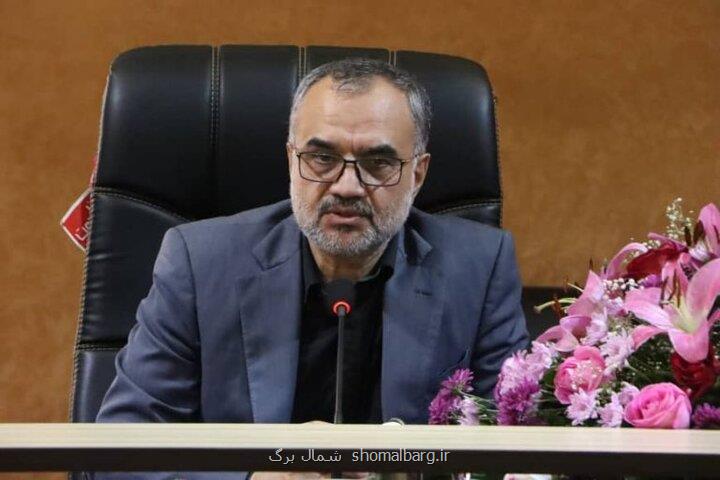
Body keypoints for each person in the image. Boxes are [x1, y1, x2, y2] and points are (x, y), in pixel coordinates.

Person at [93, 58, 529, 479]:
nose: (347, 186)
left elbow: (519, 452)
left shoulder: (479, 267)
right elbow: (120, 449)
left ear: (417, 174)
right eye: (322, 158)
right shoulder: (199, 262)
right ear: (291, 160)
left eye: (378, 163)